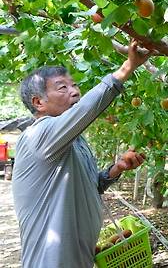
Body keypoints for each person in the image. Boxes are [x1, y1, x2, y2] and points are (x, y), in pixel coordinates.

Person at [12, 40, 150, 268]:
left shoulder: (75, 141)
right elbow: (86, 109)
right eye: (62, 88)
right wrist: (127, 68)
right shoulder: (38, 136)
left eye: (74, 85)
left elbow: (91, 185)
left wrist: (116, 170)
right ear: (38, 102)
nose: (75, 91)